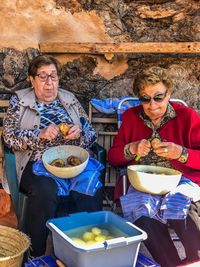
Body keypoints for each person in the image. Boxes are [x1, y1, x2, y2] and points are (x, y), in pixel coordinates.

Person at [3, 55, 103, 257]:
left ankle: (86, 251)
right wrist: (38, 135)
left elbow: (91, 133)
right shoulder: (20, 101)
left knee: (90, 189)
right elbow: (9, 139)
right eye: (42, 76)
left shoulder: (70, 99)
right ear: (32, 79)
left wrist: (79, 133)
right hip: (35, 162)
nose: (49, 83)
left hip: (70, 163)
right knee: (45, 190)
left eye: (53, 76)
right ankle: (35, 254)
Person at [108, 66, 200, 266]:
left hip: (180, 179)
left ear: (169, 94)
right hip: (143, 183)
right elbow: (113, 158)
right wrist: (131, 149)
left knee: (180, 203)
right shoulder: (132, 117)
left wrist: (181, 153)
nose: (152, 105)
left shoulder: (188, 117)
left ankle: (195, 260)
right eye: (145, 98)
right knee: (141, 212)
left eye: (158, 97)